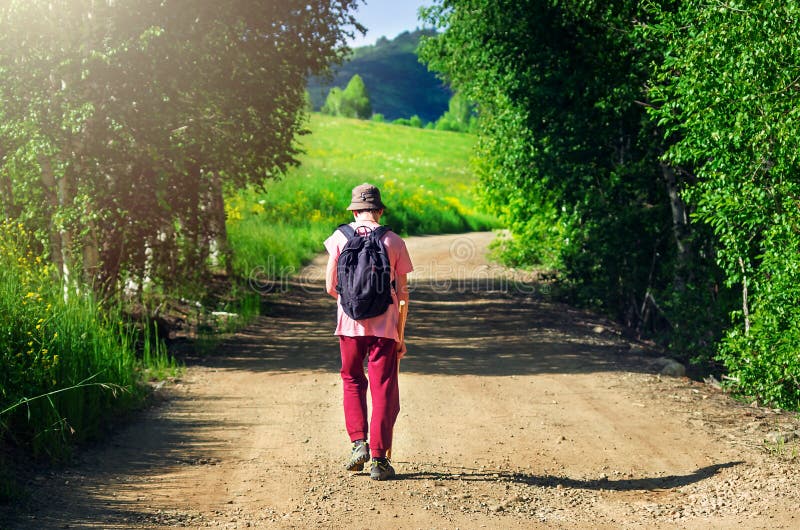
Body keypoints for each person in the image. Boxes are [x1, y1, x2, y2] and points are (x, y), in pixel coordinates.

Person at [324, 183, 413, 481]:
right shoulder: (394, 241)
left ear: (353, 210)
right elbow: (402, 295)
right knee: (383, 386)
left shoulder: (339, 237)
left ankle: (358, 444)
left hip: (348, 325)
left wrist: (353, 304)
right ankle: (379, 459)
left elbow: (329, 286)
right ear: (380, 210)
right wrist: (400, 335)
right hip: (385, 327)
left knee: (352, 379)